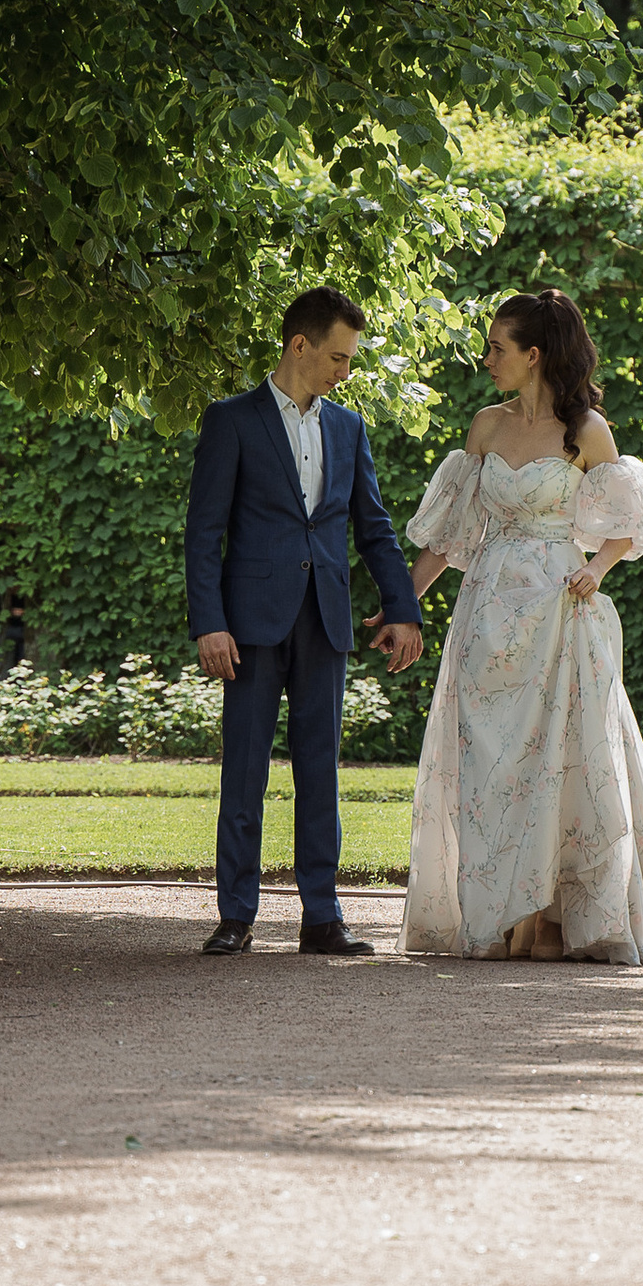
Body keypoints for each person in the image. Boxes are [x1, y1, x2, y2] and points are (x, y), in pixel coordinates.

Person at [400, 288, 643, 967]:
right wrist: (405, 605)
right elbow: (455, 533)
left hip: (557, 605)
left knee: (557, 760)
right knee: (487, 763)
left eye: (497, 347)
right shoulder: (486, 427)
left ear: (534, 354)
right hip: (488, 607)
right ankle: (495, 914)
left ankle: (550, 920)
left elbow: (633, 520)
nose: (486, 358)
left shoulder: (586, 431)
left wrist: (599, 568)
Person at [186, 286, 426, 957]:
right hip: (251, 624)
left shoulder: (348, 428)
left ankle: (322, 916)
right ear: (300, 345)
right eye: (338, 358)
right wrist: (210, 621)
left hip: (326, 618)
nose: (344, 372)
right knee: (246, 773)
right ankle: (236, 915)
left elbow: (373, 528)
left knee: (320, 772)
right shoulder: (231, 420)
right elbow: (204, 532)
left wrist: (403, 608)